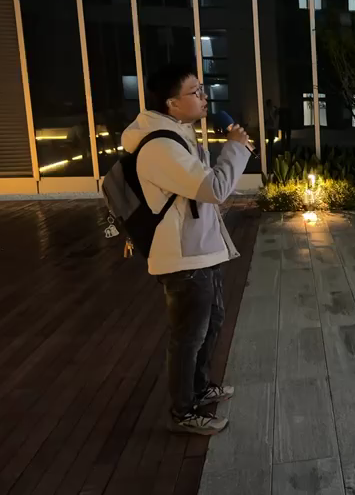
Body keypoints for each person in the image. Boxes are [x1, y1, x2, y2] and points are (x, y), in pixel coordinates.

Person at [121, 64, 252, 435]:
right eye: (195, 92)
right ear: (171, 103)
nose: (204, 97)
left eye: (202, 89)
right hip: (182, 255)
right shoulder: (160, 146)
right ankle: (183, 411)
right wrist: (236, 148)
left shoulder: (178, 134)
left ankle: (199, 386)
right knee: (189, 336)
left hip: (201, 248)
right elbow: (213, 189)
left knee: (212, 321)